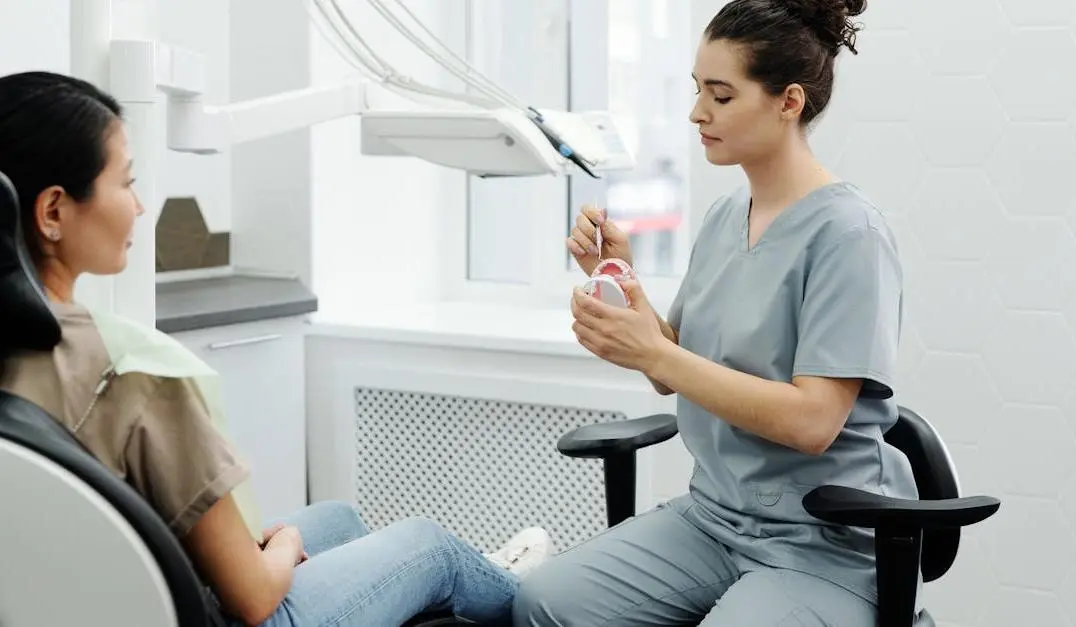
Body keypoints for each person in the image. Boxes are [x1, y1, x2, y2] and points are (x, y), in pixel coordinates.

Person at [0, 70, 553, 627]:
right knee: (433, 549)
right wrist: (283, 546)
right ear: (53, 211)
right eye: (126, 183)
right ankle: (518, 595)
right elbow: (256, 598)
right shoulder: (136, 372)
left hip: (81, 599)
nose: (140, 207)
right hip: (212, 613)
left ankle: (467, 587)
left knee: (337, 521)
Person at [518, 0, 918, 625]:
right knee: (544, 602)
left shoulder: (849, 234)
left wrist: (656, 352)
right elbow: (671, 368)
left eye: (721, 96)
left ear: (789, 102)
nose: (697, 112)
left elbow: (814, 422)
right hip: (713, 519)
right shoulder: (724, 217)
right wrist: (620, 288)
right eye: (697, 89)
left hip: (822, 541)